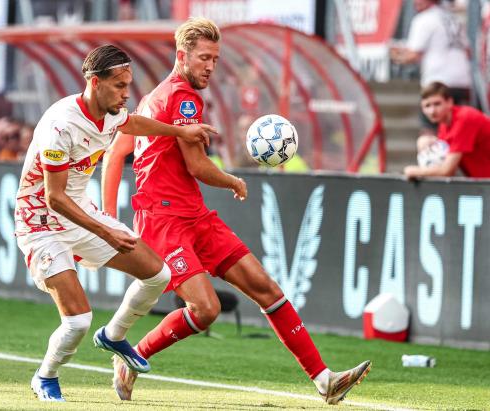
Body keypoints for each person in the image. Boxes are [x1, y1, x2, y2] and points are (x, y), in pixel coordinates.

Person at [101, 17, 371, 405]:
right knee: (205, 308)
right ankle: (133, 356)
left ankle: (324, 379)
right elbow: (196, 166)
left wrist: (112, 214)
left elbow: (117, 154)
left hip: (194, 214)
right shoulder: (183, 97)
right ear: (182, 56)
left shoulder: (151, 99)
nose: (210, 66)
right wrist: (233, 180)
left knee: (266, 289)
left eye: (215, 59)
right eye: (204, 58)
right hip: (163, 221)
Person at [14, 44, 215, 402]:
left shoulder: (111, 112)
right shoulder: (60, 126)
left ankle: (115, 335)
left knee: (160, 275)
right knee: (77, 321)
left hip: (80, 213)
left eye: (128, 85)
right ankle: (46, 376)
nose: (127, 94)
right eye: (120, 86)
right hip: (41, 222)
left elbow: (132, 122)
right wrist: (107, 230)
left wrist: (179, 132)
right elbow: (54, 197)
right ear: (95, 82)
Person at [390, 0, 471, 134]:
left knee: (429, 131)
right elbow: (468, 52)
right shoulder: (454, 18)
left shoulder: (424, 19)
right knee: (458, 130)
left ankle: (434, 154)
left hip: (437, 82)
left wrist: (395, 57)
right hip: (462, 82)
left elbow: (413, 54)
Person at [404, 82, 490, 178]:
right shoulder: (444, 126)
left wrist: (415, 171)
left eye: (437, 104)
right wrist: (431, 142)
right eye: (427, 106)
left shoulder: (465, 118)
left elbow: (447, 170)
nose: (432, 111)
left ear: (449, 102)